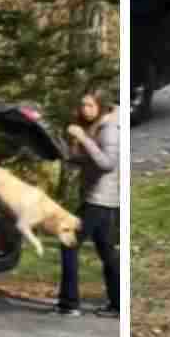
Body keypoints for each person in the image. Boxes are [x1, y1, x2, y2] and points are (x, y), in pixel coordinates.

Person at [56, 91, 120, 318]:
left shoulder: (110, 130)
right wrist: (67, 151)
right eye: (82, 105)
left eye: (90, 105)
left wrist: (84, 139)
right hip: (99, 199)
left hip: (99, 200)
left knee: (68, 241)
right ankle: (117, 305)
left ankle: (69, 303)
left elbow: (107, 164)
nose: (85, 110)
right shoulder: (97, 128)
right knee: (107, 253)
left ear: (101, 106)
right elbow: (89, 160)